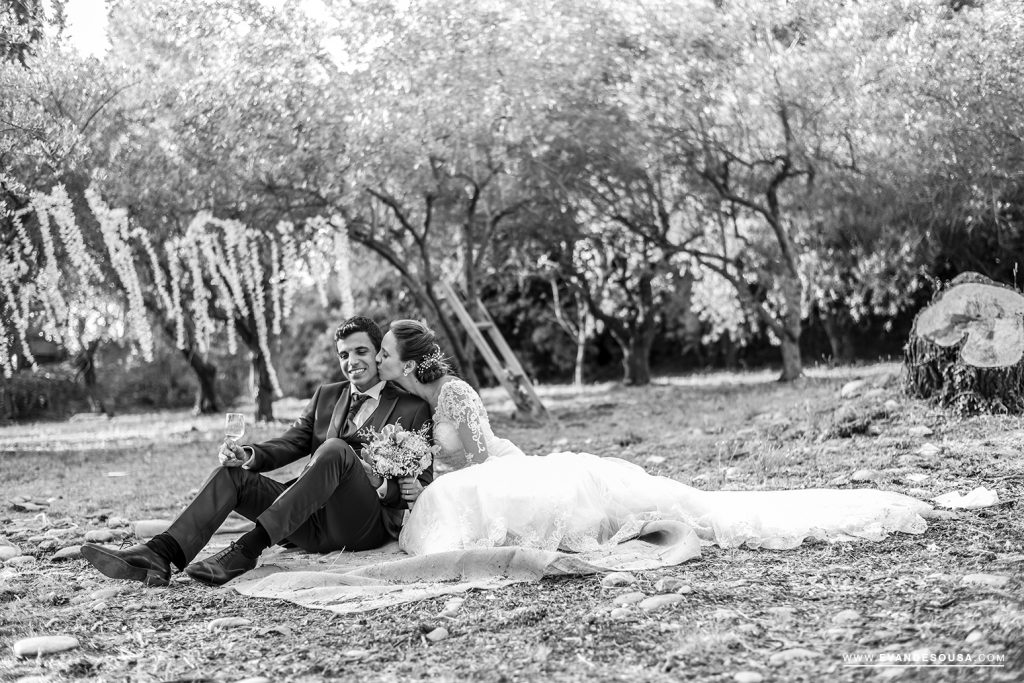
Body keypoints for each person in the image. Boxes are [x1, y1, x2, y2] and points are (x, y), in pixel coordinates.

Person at [375, 319, 933, 556]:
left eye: (383, 354)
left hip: (494, 472)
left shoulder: (457, 394)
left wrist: (425, 475)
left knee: (586, 509)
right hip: (477, 474)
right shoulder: (415, 401)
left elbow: (475, 462)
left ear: (409, 360)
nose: (377, 360)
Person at [81, 316, 432, 586]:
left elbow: (421, 483)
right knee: (232, 476)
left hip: (361, 524)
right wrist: (248, 455)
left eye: (361, 351)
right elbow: (291, 442)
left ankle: (246, 550)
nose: (351, 361)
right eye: (343, 354)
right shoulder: (327, 394)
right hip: (305, 520)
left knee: (337, 448)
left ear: (379, 354)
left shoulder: (411, 407)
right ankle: (160, 554)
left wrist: (383, 484)